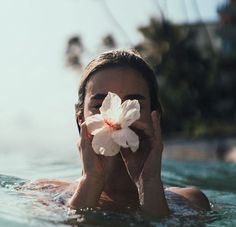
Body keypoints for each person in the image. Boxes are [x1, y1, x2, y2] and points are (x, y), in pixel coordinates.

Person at [31, 49, 210, 218]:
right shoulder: (45, 193)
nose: (119, 121)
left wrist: (148, 184)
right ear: (80, 117)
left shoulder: (191, 201)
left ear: (155, 116)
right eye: (100, 106)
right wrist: (91, 182)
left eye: (133, 106)